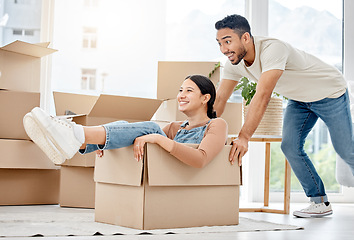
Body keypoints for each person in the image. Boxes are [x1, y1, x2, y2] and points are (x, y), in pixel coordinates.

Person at [214, 14, 354, 218]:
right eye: (219, 43)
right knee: (290, 146)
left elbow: (262, 96)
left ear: (245, 38)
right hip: (300, 99)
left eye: (227, 41)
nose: (223, 49)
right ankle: (319, 201)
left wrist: (244, 137)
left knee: (346, 149)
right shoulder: (234, 64)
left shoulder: (272, 49)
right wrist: (201, 129)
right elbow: (220, 100)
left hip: (329, 92)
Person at [23, 75, 228, 169]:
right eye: (180, 90)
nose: (181, 95)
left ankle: (75, 135)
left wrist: (158, 138)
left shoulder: (217, 124)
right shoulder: (175, 127)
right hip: (162, 171)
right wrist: (112, 143)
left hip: (182, 175)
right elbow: (139, 137)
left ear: (206, 98)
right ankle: (80, 141)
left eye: (189, 91)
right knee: (126, 124)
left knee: (152, 128)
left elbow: (201, 160)